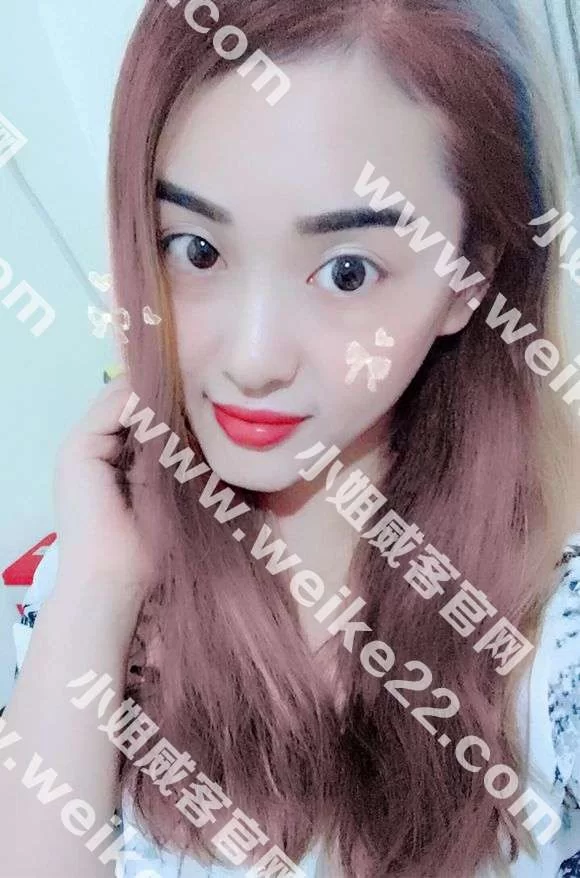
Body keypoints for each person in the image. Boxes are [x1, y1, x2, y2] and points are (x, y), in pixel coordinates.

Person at [1, 0, 579, 875]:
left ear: (470, 277)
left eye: (346, 272)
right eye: (197, 251)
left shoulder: (552, 639)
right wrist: (98, 584)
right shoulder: (82, 581)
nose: (253, 358)